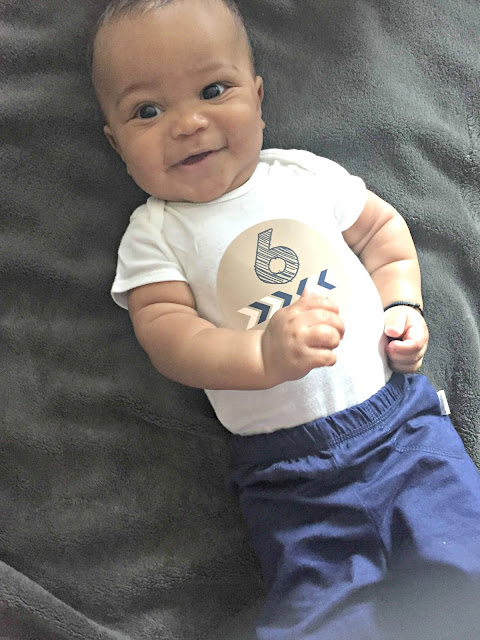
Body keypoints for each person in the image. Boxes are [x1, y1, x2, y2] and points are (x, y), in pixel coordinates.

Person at [90, 0, 480, 637]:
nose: (188, 124)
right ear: (115, 141)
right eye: (147, 111)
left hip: (403, 429)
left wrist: (402, 305)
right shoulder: (155, 233)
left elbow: (383, 234)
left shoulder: (302, 175)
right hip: (292, 477)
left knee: (465, 566)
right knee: (320, 612)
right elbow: (167, 335)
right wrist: (259, 356)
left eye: (213, 91)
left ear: (258, 97)